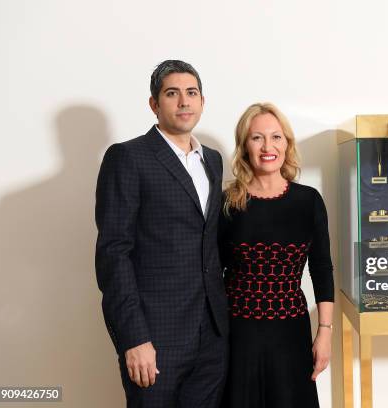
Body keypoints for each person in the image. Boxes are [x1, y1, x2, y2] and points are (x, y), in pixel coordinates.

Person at [95, 60, 228, 408]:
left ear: (201, 101)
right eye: (172, 93)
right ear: (154, 104)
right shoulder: (128, 158)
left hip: (212, 336)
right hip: (155, 338)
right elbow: (113, 253)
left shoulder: (212, 160)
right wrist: (133, 338)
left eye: (192, 93)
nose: (184, 102)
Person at [219, 102, 335, 408]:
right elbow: (211, 272)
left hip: (290, 333)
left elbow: (322, 269)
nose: (267, 146)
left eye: (276, 137)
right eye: (257, 138)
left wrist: (325, 332)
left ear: (287, 143)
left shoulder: (308, 201)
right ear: (244, 146)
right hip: (238, 336)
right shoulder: (228, 203)